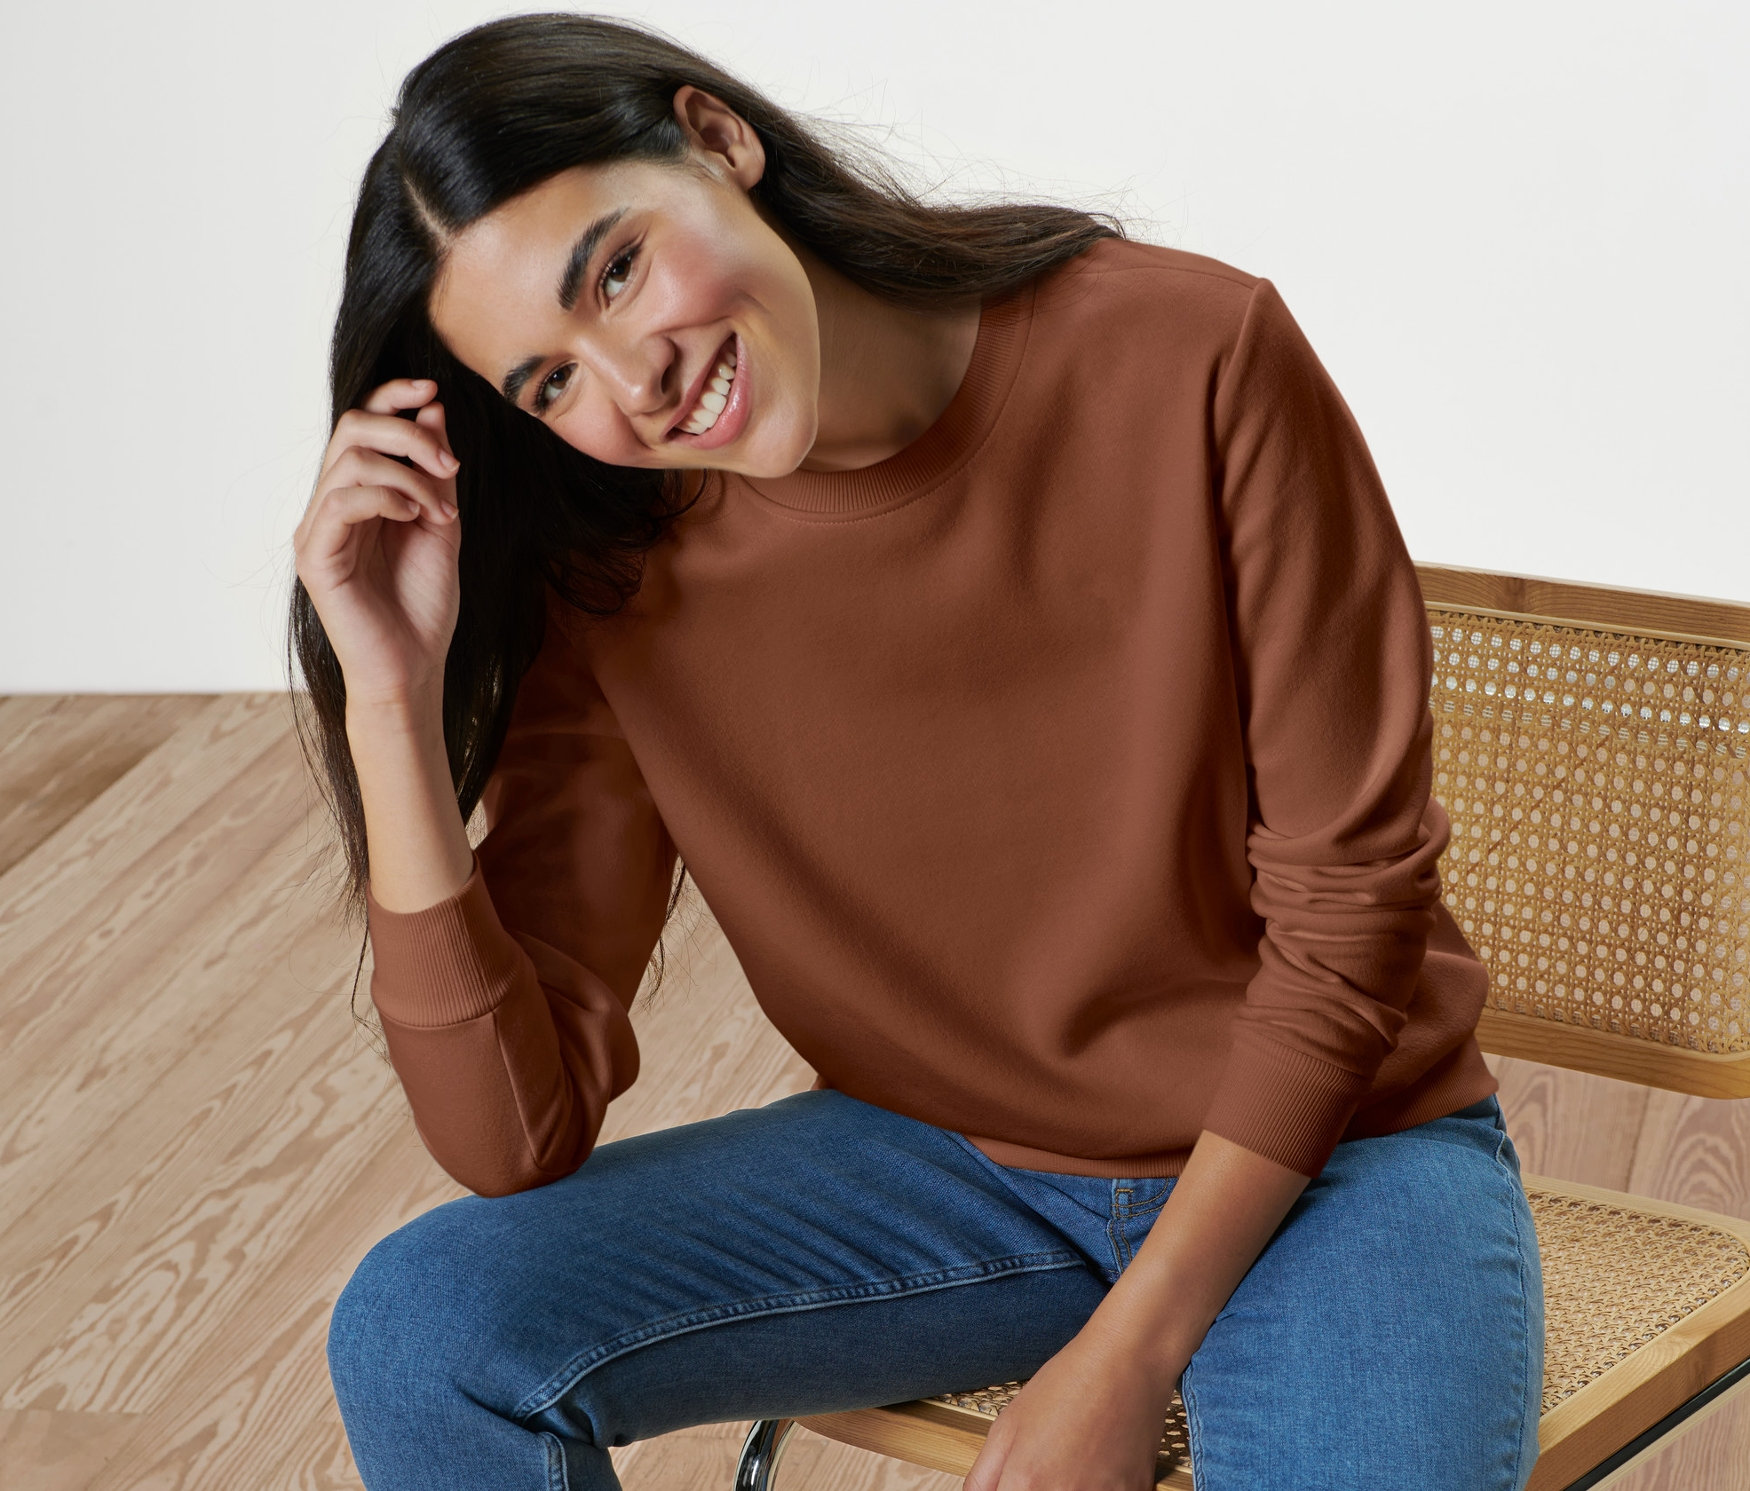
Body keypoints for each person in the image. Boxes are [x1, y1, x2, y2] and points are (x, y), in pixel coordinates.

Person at [290, 12, 1546, 1491]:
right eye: (549, 382)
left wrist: (1126, 1357)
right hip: (951, 1172)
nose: (633, 384)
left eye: (616, 271)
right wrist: (389, 700)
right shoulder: (613, 566)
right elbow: (512, 1133)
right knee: (422, 1328)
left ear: (716, 137)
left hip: (1338, 1158)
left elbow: (1351, 913)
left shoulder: (1186, 351)